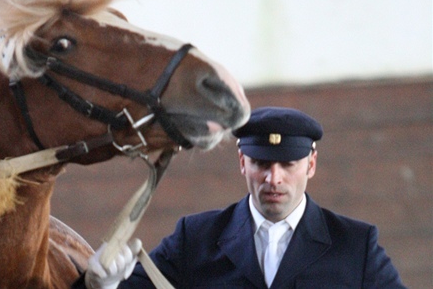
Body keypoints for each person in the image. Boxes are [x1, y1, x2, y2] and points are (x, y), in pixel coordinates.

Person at [74, 106, 406, 289]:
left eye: (288, 164)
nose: (273, 178)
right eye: (261, 163)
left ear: (311, 164)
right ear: (243, 163)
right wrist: (103, 286)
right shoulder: (196, 239)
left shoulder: (355, 246)